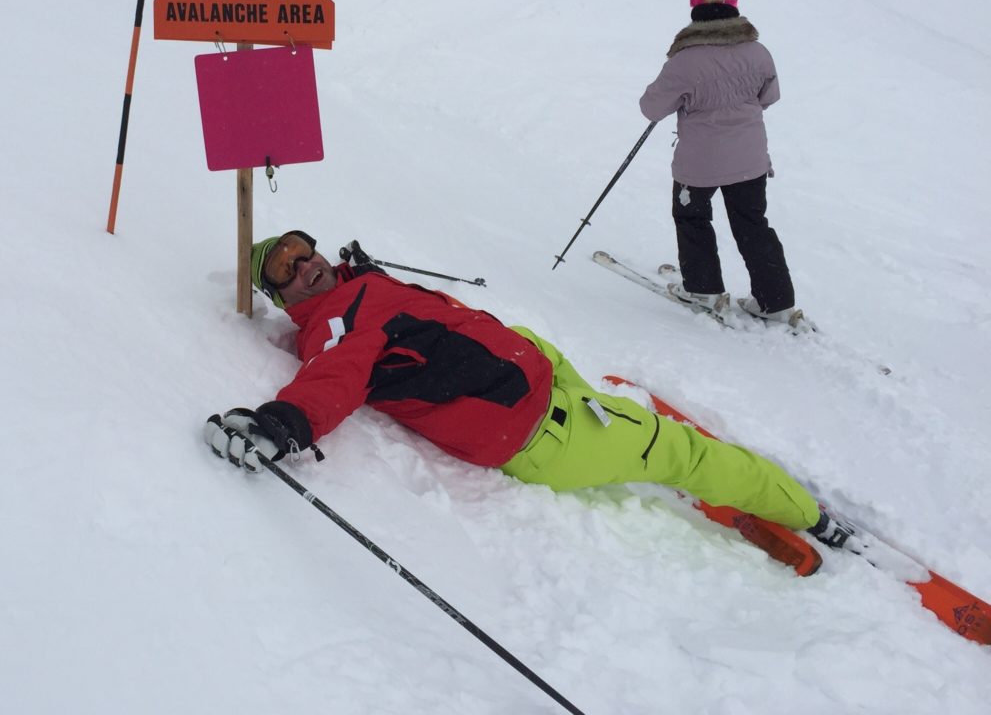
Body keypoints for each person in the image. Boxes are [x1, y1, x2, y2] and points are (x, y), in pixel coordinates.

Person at [204, 229, 854, 549]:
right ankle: (808, 515)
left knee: (528, 341)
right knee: (685, 454)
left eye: (300, 247)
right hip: (548, 431)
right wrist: (282, 423)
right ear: (279, 295)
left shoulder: (353, 291)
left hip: (532, 378)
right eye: (285, 267)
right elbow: (333, 378)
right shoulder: (339, 324)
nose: (303, 262)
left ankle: (608, 406)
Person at [639, 0, 807, 329]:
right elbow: (769, 97)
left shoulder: (684, 60)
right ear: (734, 7)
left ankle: (704, 290)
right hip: (750, 159)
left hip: (699, 163)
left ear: (694, 8)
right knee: (753, 224)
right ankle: (775, 302)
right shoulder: (758, 52)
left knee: (693, 219)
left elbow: (652, 108)